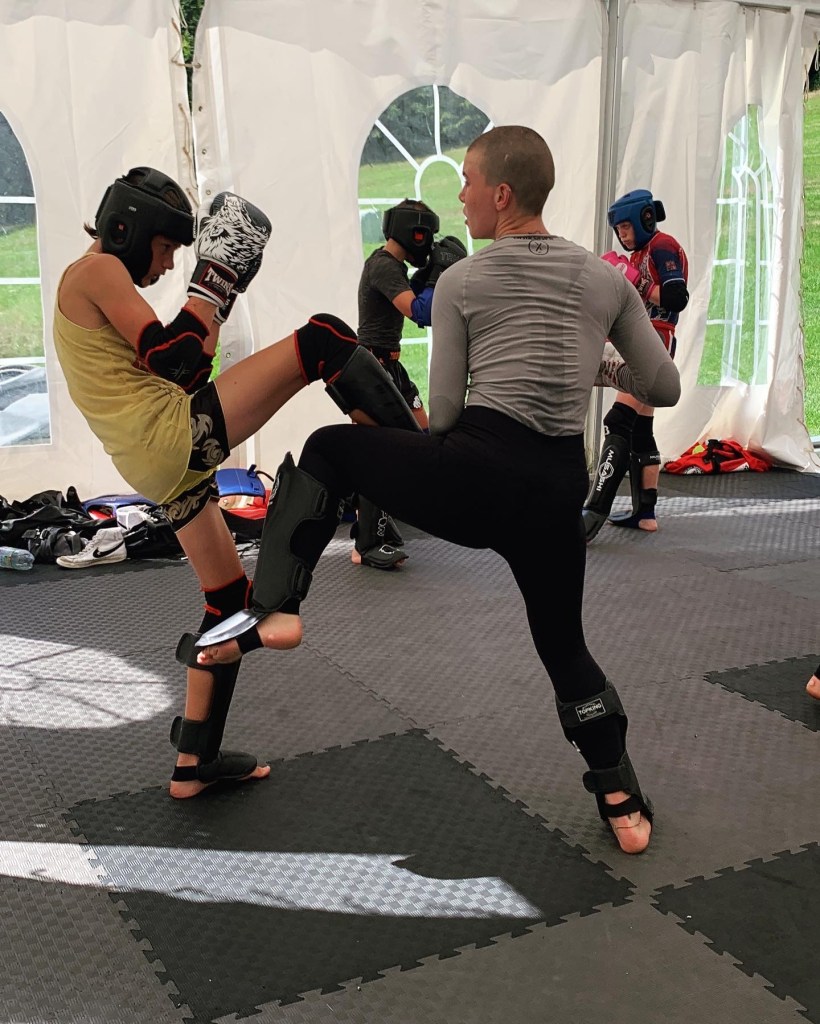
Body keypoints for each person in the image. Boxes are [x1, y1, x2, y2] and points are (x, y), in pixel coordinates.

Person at [192, 126, 681, 855]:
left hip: (476, 480)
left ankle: (276, 608)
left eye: (469, 182)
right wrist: (597, 368)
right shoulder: (606, 279)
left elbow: (445, 415)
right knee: (564, 647)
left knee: (329, 449)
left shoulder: (461, 282)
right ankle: (622, 802)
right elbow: (663, 386)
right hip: (556, 493)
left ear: (502, 194)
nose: (461, 195)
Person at [52, 166, 417, 799]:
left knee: (226, 599)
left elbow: (187, 369)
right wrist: (215, 278)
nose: (168, 264)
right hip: (171, 436)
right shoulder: (98, 270)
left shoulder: (89, 282)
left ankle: (194, 762)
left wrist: (217, 298)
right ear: (128, 228)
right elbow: (175, 359)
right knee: (325, 339)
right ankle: (423, 465)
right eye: (165, 248)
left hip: (152, 462)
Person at [352, 199, 466, 568]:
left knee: (423, 436)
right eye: (425, 235)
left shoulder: (393, 267)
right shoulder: (383, 265)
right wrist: (439, 274)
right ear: (412, 231)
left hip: (390, 366)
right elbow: (421, 311)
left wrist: (434, 273)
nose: (428, 242)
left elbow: (416, 295)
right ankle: (365, 543)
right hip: (372, 368)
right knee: (378, 450)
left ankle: (382, 518)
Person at [582, 190, 689, 541]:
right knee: (641, 429)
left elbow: (676, 297)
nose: (623, 235)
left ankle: (593, 512)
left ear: (645, 219)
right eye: (619, 230)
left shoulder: (663, 246)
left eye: (627, 227)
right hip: (643, 340)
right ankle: (646, 513)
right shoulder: (640, 253)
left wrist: (635, 280)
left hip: (655, 341)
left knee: (618, 420)